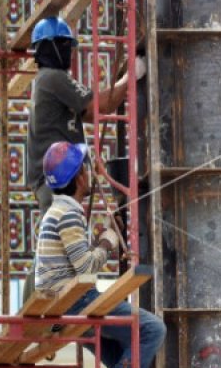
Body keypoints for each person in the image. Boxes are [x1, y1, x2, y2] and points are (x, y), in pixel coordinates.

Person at [35, 141, 166, 368]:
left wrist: (98, 241)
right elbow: (85, 268)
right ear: (80, 177)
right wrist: (107, 241)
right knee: (152, 330)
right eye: (86, 168)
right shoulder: (68, 212)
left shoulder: (58, 210)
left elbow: (77, 261)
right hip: (74, 300)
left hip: (64, 304)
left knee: (135, 361)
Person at [24, 16, 146, 302]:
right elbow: (100, 105)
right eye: (66, 47)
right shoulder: (53, 79)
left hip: (56, 178)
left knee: (57, 244)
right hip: (56, 179)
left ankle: (40, 306)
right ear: (54, 48)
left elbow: (92, 113)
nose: (69, 54)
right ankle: (37, 307)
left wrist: (121, 84)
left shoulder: (47, 83)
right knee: (54, 248)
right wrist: (131, 77)